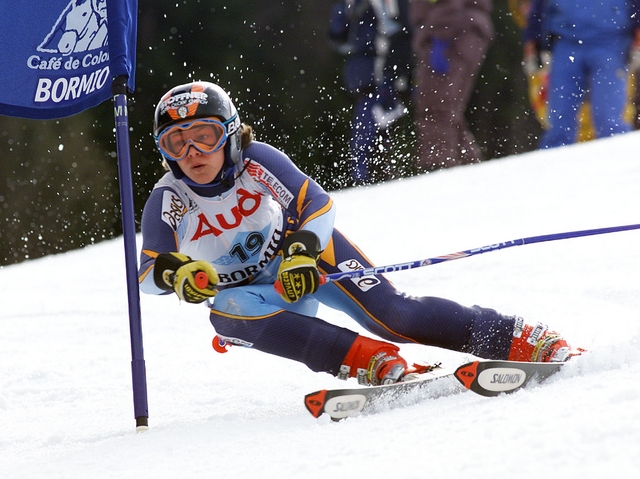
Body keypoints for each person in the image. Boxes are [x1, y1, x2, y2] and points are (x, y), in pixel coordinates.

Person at [138, 81, 580, 388]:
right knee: (225, 315)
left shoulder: (256, 160)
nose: (194, 152)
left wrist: (301, 252)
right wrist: (176, 275)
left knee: (395, 317)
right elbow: (146, 273)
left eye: (205, 136)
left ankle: (518, 337)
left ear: (230, 134)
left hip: (308, 257)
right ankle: (366, 361)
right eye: (177, 143)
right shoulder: (168, 197)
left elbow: (317, 204)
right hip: (255, 293)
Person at [523, 0, 640, 149]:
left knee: (609, 120)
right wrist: (532, 40)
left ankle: (619, 163)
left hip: (611, 41)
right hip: (565, 41)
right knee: (559, 123)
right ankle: (553, 166)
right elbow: (538, 5)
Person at [328, 0, 413, 185]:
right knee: (368, 127)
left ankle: (372, 176)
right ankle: (365, 176)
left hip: (381, 70)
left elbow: (400, 31)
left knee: (379, 127)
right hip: (365, 71)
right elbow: (337, 36)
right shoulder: (348, 4)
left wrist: (398, 73)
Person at [408, 0, 494, 171]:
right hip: (460, 29)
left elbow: (449, 4)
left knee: (436, 106)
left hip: (451, 34)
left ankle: (439, 166)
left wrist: (441, 36)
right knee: (447, 109)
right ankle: (469, 168)